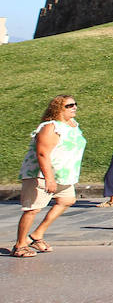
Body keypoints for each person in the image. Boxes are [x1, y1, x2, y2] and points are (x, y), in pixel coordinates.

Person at [13, 95, 87, 258]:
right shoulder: (50, 127)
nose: (74, 107)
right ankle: (20, 245)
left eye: (75, 104)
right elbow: (42, 153)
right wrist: (49, 178)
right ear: (58, 108)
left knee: (67, 200)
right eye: (69, 105)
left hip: (64, 175)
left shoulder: (73, 125)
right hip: (41, 175)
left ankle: (37, 235)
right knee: (32, 209)